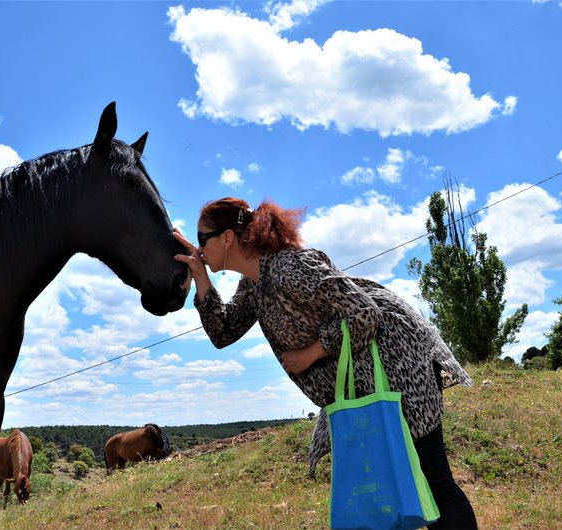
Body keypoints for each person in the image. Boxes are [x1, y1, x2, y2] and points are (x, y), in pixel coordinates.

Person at [174, 197, 478, 529]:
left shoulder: (290, 267)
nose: (199, 247)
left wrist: (312, 353)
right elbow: (224, 332)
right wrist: (200, 276)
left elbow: (365, 313)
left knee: (434, 480)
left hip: (402, 364)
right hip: (366, 381)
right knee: (394, 486)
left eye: (202, 239)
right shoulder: (253, 284)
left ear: (227, 238)